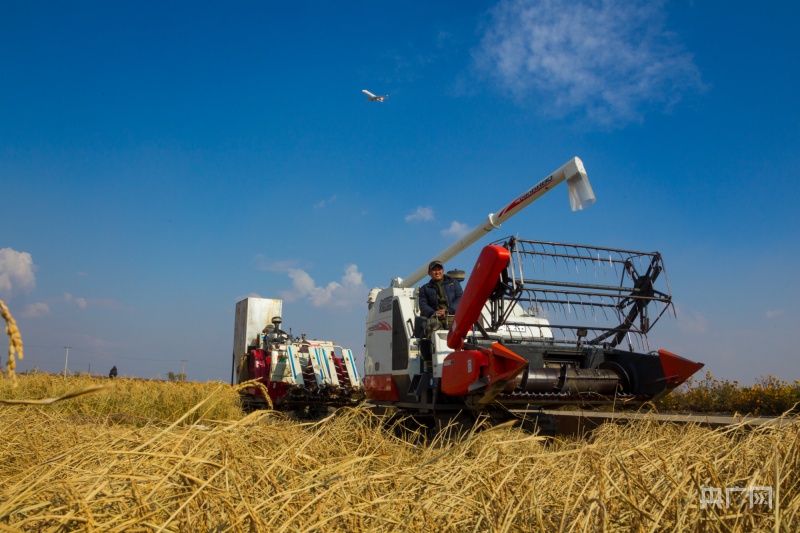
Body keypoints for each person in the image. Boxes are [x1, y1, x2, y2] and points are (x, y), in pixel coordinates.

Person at [418, 260, 463, 334]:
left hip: (452, 316)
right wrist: (434, 313)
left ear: (443, 271)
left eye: (439, 269)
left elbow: (460, 298)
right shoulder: (424, 288)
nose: (437, 272)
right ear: (429, 273)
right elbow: (423, 305)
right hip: (435, 318)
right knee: (433, 328)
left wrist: (449, 310)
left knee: (459, 330)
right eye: (434, 270)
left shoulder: (454, 283)